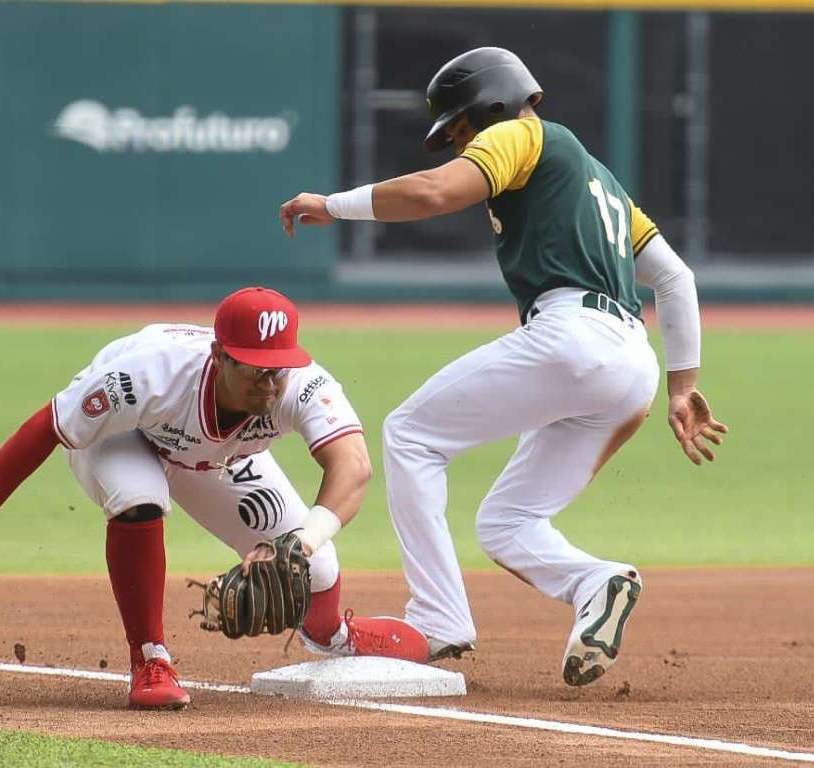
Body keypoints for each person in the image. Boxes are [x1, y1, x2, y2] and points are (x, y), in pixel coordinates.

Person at [279, 47, 728, 687]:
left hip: (573, 335)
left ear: (491, 104)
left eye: (459, 129)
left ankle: (437, 620)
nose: (457, 144)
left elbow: (436, 191)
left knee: (410, 433)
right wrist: (683, 386)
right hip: (632, 365)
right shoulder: (599, 180)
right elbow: (675, 278)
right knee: (506, 521)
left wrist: (334, 203)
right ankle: (598, 582)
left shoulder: (525, 135)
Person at [0, 287, 427, 709]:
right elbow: (48, 426)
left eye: (278, 368)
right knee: (138, 494)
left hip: (213, 455)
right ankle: (150, 658)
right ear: (220, 355)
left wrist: (302, 542)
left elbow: (353, 466)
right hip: (126, 433)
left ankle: (332, 634)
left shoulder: (299, 384)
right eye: (255, 369)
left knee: (314, 566)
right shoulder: (145, 375)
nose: (269, 383)